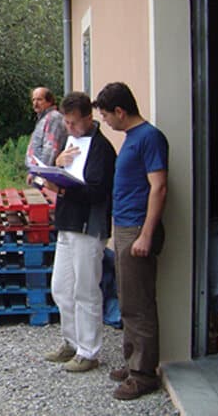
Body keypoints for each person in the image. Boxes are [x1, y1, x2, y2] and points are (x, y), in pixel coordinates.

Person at [93, 82, 168, 401]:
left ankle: (143, 374)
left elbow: (160, 187)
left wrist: (146, 234)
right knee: (127, 300)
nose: (106, 122)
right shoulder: (132, 138)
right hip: (124, 226)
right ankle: (132, 360)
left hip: (138, 228)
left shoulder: (149, 137)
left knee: (139, 305)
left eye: (107, 116)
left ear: (121, 111)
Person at [42, 92, 116, 373]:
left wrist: (60, 187)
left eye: (73, 123)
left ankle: (89, 350)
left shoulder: (102, 149)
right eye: (66, 123)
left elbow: (97, 191)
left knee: (86, 289)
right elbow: (55, 166)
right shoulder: (69, 139)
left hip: (89, 225)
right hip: (67, 222)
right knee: (61, 287)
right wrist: (56, 165)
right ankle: (71, 342)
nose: (69, 128)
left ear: (88, 118)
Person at [26, 87, 67, 183]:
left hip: (47, 175)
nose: (35, 103)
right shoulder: (43, 118)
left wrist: (38, 172)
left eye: (39, 99)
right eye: (33, 100)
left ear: (49, 102)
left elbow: (51, 149)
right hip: (40, 173)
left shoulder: (54, 118)